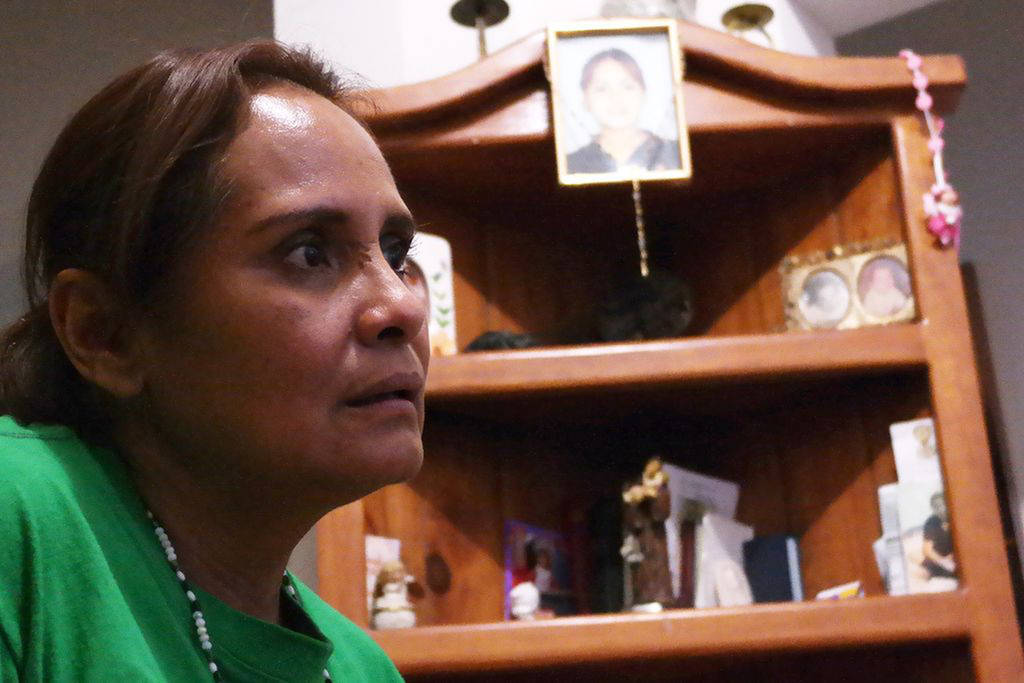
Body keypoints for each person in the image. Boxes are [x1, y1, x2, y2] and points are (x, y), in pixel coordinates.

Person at [0, 41, 429, 681]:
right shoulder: (17, 516)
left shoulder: (363, 668)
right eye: (309, 253)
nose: (402, 306)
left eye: (395, 253)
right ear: (104, 333)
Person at [566, 48, 681, 174]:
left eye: (627, 87)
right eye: (602, 89)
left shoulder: (677, 154)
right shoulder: (570, 165)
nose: (616, 98)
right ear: (585, 100)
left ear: (643, 94)